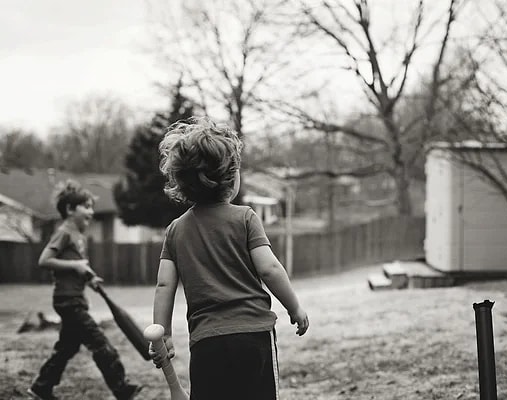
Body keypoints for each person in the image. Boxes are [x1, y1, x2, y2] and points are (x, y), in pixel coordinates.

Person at [150, 117, 309, 400]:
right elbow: (270, 268)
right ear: (232, 177)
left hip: (206, 343)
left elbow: (164, 286)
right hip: (253, 336)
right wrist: (294, 307)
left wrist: (164, 333)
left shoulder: (176, 230)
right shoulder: (245, 218)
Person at [28, 180, 142, 400]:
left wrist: (88, 277)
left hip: (75, 299)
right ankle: (121, 389)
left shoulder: (78, 236)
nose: (91, 211)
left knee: (66, 348)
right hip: (68, 301)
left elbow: (76, 267)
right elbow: (45, 260)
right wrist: (76, 266)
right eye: (86, 206)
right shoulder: (64, 233)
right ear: (70, 210)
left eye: (92, 206)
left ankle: (41, 387)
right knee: (100, 343)